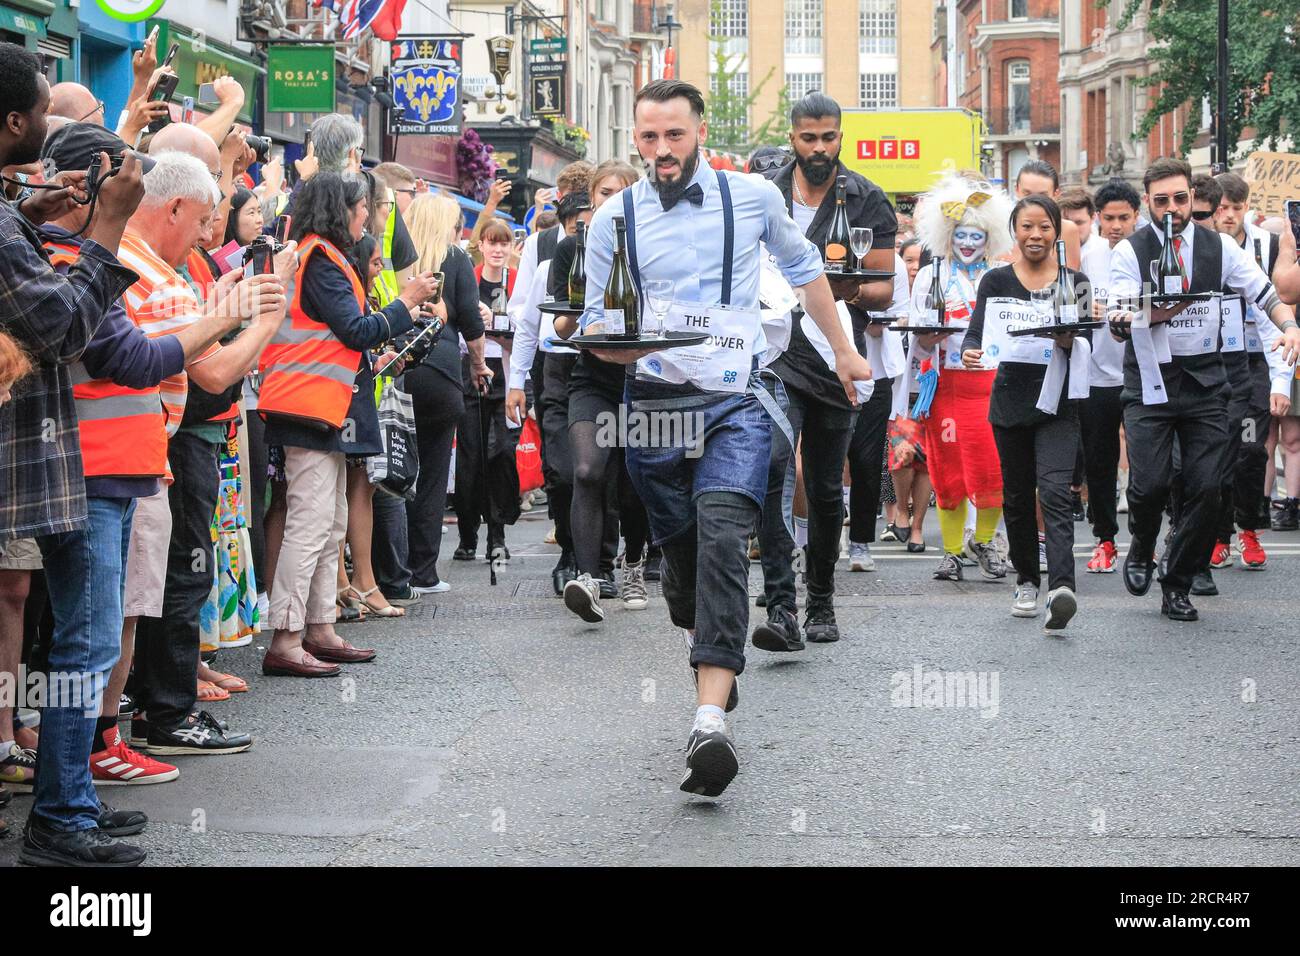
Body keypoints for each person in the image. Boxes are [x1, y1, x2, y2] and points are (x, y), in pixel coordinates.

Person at [581, 79, 872, 797]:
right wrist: (620, 347)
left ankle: (710, 719)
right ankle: (701, 632)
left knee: (721, 529)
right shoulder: (612, 221)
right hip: (653, 400)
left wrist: (842, 351)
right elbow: (599, 325)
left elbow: (807, 277)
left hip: (735, 396)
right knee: (681, 558)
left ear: (699, 131)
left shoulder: (754, 199)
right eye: (648, 138)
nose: (662, 151)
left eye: (674, 135)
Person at [0, 43, 151, 865]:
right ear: (17, 123)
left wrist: (32, 213)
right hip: (59, 459)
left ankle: (69, 802)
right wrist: (112, 227)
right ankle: (60, 816)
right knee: (80, 644)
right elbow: (59, 328)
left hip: (67, 462)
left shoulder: (8, 215)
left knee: (76, 641)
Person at [259, 173, 437, 675]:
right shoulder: (321, 259)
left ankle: (318, 628)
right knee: (311, 523)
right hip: (307, 406)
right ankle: (287, 639)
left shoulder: (326, 257)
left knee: (330, 522)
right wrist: (406, 303)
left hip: (324, 407)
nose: (369, 214)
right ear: (342, 210)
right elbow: (355, 330)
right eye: (363, 206)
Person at [1108, 157, 1300, 622]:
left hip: (1207, 384)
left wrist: (1290, 327)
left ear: (1192, 199)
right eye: (1161, 201)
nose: (1171, 208)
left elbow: (1264, 293)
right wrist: (1135, 315)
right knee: (1151, 484)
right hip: (1151, 382)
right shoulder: (1129, 252)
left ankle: (1177, 580)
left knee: (1208, 486)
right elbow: (1117, 316)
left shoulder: (1218, 248)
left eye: (1180, 198)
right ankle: (1141, 546)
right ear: (1148, 203)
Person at [750, 92, 896, 651]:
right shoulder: (762, 194)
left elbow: (883, 288)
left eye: (828, 137)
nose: (819, 148)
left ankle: (822, 601)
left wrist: (848, 286)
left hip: (837, 353)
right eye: (808, 138)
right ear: (792, 137)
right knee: (772, 471)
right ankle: (782, 606)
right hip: (776, 353)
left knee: (828, 486)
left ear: (841, 135)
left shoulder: (866, 198)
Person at [961, 195, 1092, 630]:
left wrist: (1070, 339)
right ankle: (1026, 581)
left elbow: (1088, 342)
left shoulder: (1077, 281)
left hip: (1058, 403)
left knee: (1055, 493)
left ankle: (1061, 588)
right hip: (1010, 401)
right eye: (1027, 227)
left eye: (1044, 228)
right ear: (1014, 230)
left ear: (1057, 233)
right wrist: (969, 353)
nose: (1035, 236)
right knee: (1016, 497)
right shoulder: (995, 281)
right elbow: (976, 334)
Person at [554, 161, 653, 620]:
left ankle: (633, 562)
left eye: (621, 191)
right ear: (591, 197)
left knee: (633, 486)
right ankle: (588, 575)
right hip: (592, 374)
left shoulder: (652, 245)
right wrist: (576, 319)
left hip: (643, 377)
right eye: (604, 191)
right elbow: (559, 321)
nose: (611, 198)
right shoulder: (575, 246)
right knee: (589, 470)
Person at [908, 172, 1014, 582]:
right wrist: (927, 337)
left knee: (993, 469)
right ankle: (951, 553)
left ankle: (984, 541)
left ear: (990, 239)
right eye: (961, 236)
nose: (968, 244)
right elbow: (916, 337)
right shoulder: (931, 277)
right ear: (947, 237)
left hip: (991, 387)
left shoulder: (1002, 278)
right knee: (947, 471)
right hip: (946, 386)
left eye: (977, 237)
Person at [506, 161, 596, 594]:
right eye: (578, 225)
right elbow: (524, 322)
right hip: (555, 368)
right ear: (563, 224)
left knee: (592, 468)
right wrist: (516, 382)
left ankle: (595, 558)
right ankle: (569, 549)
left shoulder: (606, 257)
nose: (584, 232)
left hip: (598, 367)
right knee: (560, 469)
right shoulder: (545, 262)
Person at [402, 192, 489, 593]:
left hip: (395, 369)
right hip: (439, 375)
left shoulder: (393, 258)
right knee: (433, 476)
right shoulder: (454, 259)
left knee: (390, 474)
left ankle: (390, 570)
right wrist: (478, 366)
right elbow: (472, 324)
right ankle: (423, 572)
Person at [1206, 172, 1293, 571]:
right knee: (1216, 454)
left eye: (1235, 209)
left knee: (1249, 449)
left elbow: (1272, 314)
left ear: (1246, 208)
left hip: (1256, 363)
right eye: (1221, 208)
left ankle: (1248, 528)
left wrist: (1281, 383)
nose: (1227, 216)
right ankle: (1218, 535)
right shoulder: (1205, 249)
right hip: (1214, 361)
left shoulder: (1264, 244)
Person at [1080, 179, 1140, 574]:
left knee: (1149, 466)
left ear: (1138, 216)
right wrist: (1091, 313)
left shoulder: (1149, 252)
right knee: (1099, 465)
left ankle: (1144, 539)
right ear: (1098, 218)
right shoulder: (1088, 256)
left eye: (1124, 218)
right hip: (1097, 378)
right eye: (1109, 218)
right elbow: (1074, 309)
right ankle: (1104, 540)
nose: (1115, 225)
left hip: (1141, 375)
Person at [454, 216, 520, 562]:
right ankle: (468, 535)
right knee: (470, 458)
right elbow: (458, 329)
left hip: (507, 376)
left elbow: (526, 335)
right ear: (480, 245)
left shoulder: (518, 282)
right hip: (472, 374)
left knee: (501, 455)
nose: (497, 249)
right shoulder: (469, 280)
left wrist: (497, 327)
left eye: (503, 243)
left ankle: (498, 534)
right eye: (492, 243)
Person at [1012, 160, 1082, 269]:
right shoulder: (999, 230)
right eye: (1027, 194)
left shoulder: (1067, 230)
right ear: (1016, 190)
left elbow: (1070, 279)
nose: (1034, 201)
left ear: (1056, 194)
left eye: (1042, 196)